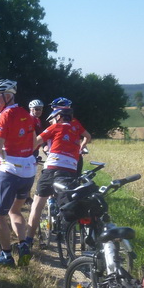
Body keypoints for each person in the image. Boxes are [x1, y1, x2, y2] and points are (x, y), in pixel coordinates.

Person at [25, 100, 92, 249]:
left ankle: (28, 241)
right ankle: (69, 236)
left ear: (58, 117)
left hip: (51, 169)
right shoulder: (76, 128)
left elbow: (34, 144)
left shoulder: (54, 127)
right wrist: (80, 148)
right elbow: (88, 136)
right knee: (68, 203)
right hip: (70, 171)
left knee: (37, 206)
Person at [0, 80, 37, 267]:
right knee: (15, 210)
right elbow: (34, 143)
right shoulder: (26, 114)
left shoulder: (4, 116)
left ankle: (6, 255)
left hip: (10, 171)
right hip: (29, 171)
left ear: (8, 96)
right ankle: (23, 245)